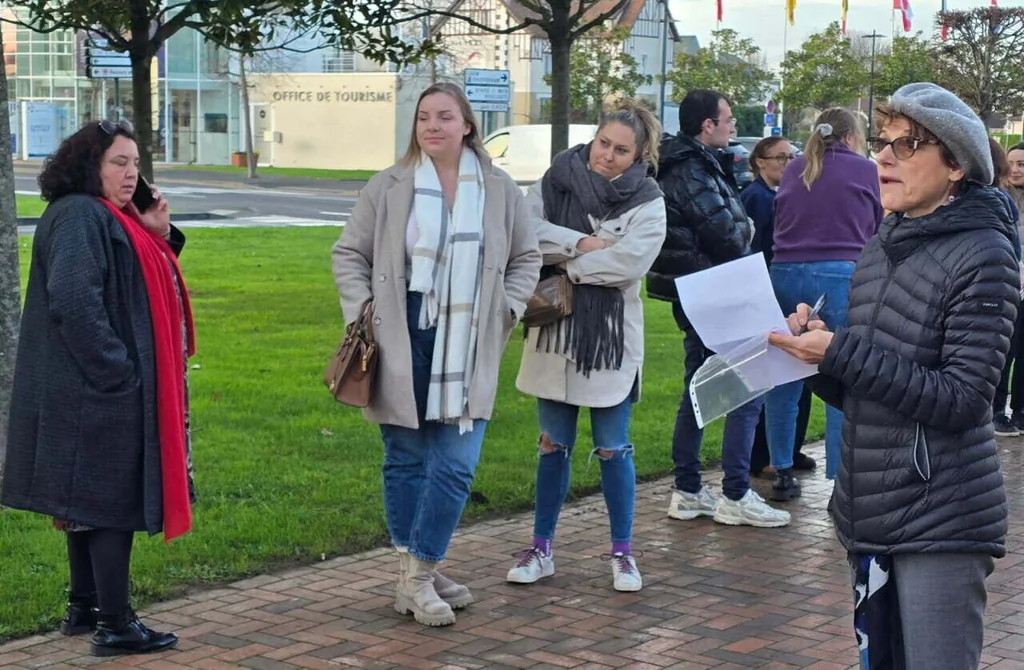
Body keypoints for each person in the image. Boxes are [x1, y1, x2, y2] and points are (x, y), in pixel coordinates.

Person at [770, 82, 1017, 669]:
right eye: (884, 142)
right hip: (870, 512)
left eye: (907, 146)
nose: (882, 157)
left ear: (955, 165)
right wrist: (812, 356)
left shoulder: (984, 252)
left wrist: (840, 355)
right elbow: (865, 389)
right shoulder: (882, 245)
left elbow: (962, 399)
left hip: (943, 520)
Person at [331, 83, 541, 627]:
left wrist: (508, 308)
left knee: (455, 463)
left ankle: (418, 573)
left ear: (467, 125)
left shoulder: (499, 189)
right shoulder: (389, 186)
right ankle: (418, 572)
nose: (432, 126)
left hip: (468, 338)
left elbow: (527, 255)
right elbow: (349, 253)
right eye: (424, 117)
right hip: (403, 332)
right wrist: (364, 311)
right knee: (406, 458)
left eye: (445, 117)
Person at [1, 120, 193, 657]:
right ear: (90, 165)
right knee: (111, 502)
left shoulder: (107, 216)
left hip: (92, 386)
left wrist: (157, 231)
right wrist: (117, 372)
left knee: (86, 501)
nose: (131, 174)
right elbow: (73, 299)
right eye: (119, 163)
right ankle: (116, 624)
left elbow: (139, 281)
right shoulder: (83, 215)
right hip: (94, 388)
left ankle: (84, 606)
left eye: (136, 164)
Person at [506, 101, 666, 592]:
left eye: (621, 150)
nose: (608, 156)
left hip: (610, 341)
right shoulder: (555, 180)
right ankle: (541, 547)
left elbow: (630, 264)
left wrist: (568, 269)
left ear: (639, 154)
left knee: (613, 448)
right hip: (555, 332)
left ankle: (623, 553)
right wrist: (582, 243)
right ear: (593, 138)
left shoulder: (648, 200)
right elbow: (526, 234)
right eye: (603, 143)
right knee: (552, 446)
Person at [650, 89, 789, 528]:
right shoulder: (692, 169)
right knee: (748, 385)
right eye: (727, 118)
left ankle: (689, 489)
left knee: (698, 387)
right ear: (707, 125)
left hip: (698, 289)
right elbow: (729, 234)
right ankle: (734, 493)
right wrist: (746, 225)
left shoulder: (689, 163)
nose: (732, 125)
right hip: (714, 291)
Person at [764, 108, 883, 501]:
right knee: (843, 371)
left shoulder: (796, 166)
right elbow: (879, 225)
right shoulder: (865, 169)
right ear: (852, 137)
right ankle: (840, 476)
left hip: (784, 271)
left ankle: (780, 469)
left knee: (782, 373)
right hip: (840, 273)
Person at [740, 137, 816, 479]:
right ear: (760, 162)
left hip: (786, 289)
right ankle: (764, 456)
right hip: (769, 290)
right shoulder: (756, 198)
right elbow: (751, 250)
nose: (788, 163)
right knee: (773, 379)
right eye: (780, 157)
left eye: (792, 156)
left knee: (799, 374)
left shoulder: (785, 194)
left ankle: (790, 449)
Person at [989, 139, 1024, 436]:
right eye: (1011, 163)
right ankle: (997, 410)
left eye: (1021, 164)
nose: (1015, 170)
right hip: (1009, 284)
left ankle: (1021, 410)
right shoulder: (1000, 197)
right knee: (1005, 351)